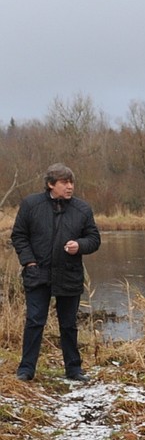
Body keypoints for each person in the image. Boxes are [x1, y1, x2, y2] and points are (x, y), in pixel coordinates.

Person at [9, 163, 101, 382]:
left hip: (69, 273)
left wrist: (80, 245)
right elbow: (19, 236)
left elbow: (94, 239)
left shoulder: (82, 209)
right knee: (34, 321)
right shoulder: (31, 205)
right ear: (51, 184)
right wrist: (29, 261)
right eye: (64, 183)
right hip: (37, 272)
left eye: (71, 182)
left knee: (68, 324)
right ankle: (26, 369)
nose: (70, 187)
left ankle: (74, 369)